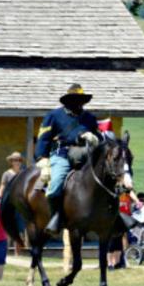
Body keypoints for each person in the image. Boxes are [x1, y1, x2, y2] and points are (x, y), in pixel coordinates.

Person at [35, 83, 101, 236]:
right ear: (68, 100)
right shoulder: (53, 116)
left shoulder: (89, 118)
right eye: (74, 99)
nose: (78, 103)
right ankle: (56, 217)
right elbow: (44, 139)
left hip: (87, 156)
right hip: (62, 155)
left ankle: (113, 218)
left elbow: (98, 136)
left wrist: (94, 138)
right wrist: (42, 158)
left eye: (80, 100)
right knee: (55, 185)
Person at [0, 152, 27, 256]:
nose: (17, 162)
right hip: (9, 203)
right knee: (8, 228)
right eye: (15, 160)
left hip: (20, 204)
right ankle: (5, 251)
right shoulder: (6, 174)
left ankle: (17, 253)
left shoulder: (24, 173)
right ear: (11, 162)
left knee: (20, 228)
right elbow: (2, 187)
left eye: (19, 160)